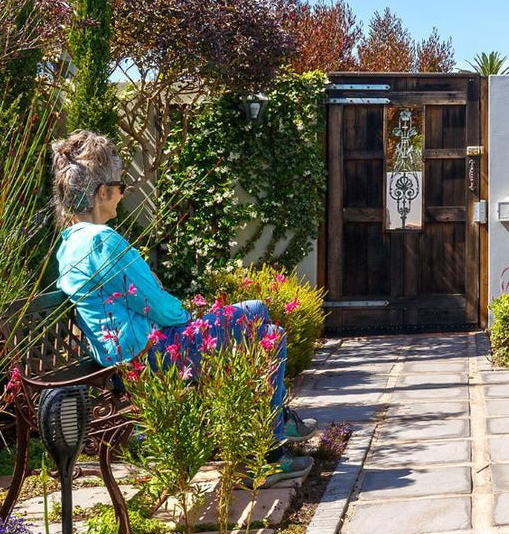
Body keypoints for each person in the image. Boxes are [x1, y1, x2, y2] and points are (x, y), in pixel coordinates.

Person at [50, 130, 313, 486]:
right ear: (102, 192)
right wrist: (191, 321)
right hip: (148, 356)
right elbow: (159, 305)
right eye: (120, 184)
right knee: (263, 323)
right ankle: (268, 452)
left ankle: (272, 442)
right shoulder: (102, 242)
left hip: (126, 356)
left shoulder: (70, 244)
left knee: (263, 326)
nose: (123, 192)